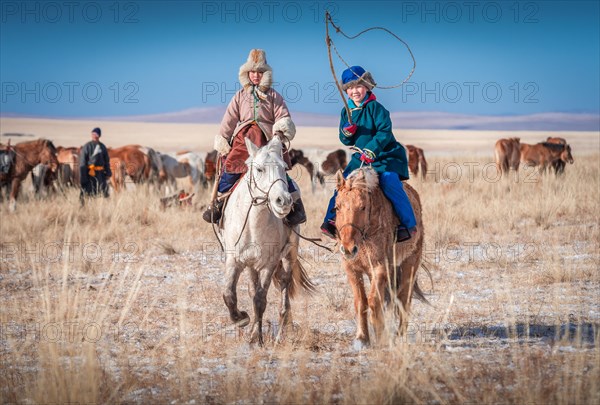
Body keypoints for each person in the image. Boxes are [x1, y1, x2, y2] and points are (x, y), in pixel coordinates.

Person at [202, 49, 306, 226]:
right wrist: (223, 140)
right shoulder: (240, 96)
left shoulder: (274, 96)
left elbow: (283, 117)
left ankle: (295, 207)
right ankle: (218, 205)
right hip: (243, 142)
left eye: (260, 72)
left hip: (268, 142)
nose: (256, 76)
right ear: (246, 73)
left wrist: (279, 134)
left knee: (278, 173)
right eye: (252, 72)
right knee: (229, 172)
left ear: (265, 73)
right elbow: (229, 119)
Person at [320, 65, 417, 242]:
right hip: (360, 159)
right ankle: (331, 220)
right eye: (350, 87)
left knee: (389, 181)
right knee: (343, 186)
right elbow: (346, 140)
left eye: (358, 86)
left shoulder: (376, 108)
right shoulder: (346, 112)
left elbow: (384, 132)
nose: (354, 91)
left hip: (385, 156)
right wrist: (347, 132)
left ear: (367, 86)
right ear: (346, 91)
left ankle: (408, 224)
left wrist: (371, 150)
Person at [79, 127, 112, 204]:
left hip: (100, 174)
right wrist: (83, 177)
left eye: (96, 134)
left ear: (99, 135)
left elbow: (106, 161)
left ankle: (103, 207)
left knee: (104, 193)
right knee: (87, 192)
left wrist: (108, 172)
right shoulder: (87, 146)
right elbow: (83, 162)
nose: (94, 135)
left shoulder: (103, 146)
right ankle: (84, 208)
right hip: (89, 173)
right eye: (92, 133)